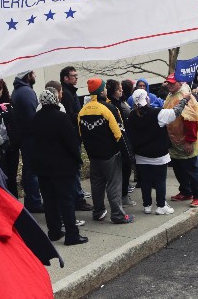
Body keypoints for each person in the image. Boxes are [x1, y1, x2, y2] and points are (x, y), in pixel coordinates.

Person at [33, 88, 88, 246]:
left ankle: (55, 232)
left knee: (49, 202)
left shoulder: (36, 118)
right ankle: (72, 235)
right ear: (55, 99)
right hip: (63, 168)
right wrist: (78, 159)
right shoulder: (61, 117)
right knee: (66, 201)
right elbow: (71, 142)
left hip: (43, 168)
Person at [127, 89, 192, 215]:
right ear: (147, 99)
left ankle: (147, 205)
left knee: (145, 181)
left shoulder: (131, 116)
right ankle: (161, 205)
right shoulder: (158, 113)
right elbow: (176, 111)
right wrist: (185, 99)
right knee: (160, 181)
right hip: (159, 155)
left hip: (141, 155)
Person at [78, 78, 134, 224]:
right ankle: (118, 215)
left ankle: (98, 212)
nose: (105, 90)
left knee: (96, 184)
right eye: (103, 88)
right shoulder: (108, 108)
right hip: (110, 154)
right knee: (113, 184)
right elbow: (119, 133)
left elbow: (81, 134)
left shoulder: (83, 111)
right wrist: (128, 154)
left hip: (93, 155)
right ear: (100, 90)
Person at [163, 73, 198, 208]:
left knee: (192, 169)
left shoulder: (184, 96)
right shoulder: (172, 94)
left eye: (172, 83)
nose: (170, 85)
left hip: (185, 140)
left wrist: (190, 140)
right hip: (174, 140)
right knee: (179, 168)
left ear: (179, 83)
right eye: (168, 83)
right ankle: (185, 191)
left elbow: (191, 119)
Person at [59, 66, 93, 212]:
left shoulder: (70, 92)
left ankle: (77, 196)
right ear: (66, 78)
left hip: (75, 134)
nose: (76, 78)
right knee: (75, 168)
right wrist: (82, 114)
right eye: (73, 76)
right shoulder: (66, 94)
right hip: (73, 135)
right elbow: (69, 115)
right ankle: (77, 198)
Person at [11, 70, 44, 213]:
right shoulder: (26, 92)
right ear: (28, 75)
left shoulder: (18, 91)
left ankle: (31, 201)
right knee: (32, 170)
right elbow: (33, 116)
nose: (35, 75)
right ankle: (34, 202)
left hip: (24, 136)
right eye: (33, 73)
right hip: (30, 136)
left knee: (28, 169)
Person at [0, 77, 20, 197]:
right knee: (2, 178)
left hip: (12, 147)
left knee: (12, 178)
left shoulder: (9, 104)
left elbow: (15, 125)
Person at [106, 79, 136, 207]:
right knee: (124, 169)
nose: (122, 90)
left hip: (119, 141)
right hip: (120, 141)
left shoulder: (117, 103)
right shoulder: (114, 106)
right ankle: (123, 197)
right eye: (119, 89)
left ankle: (121, 195)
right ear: (114, 91)